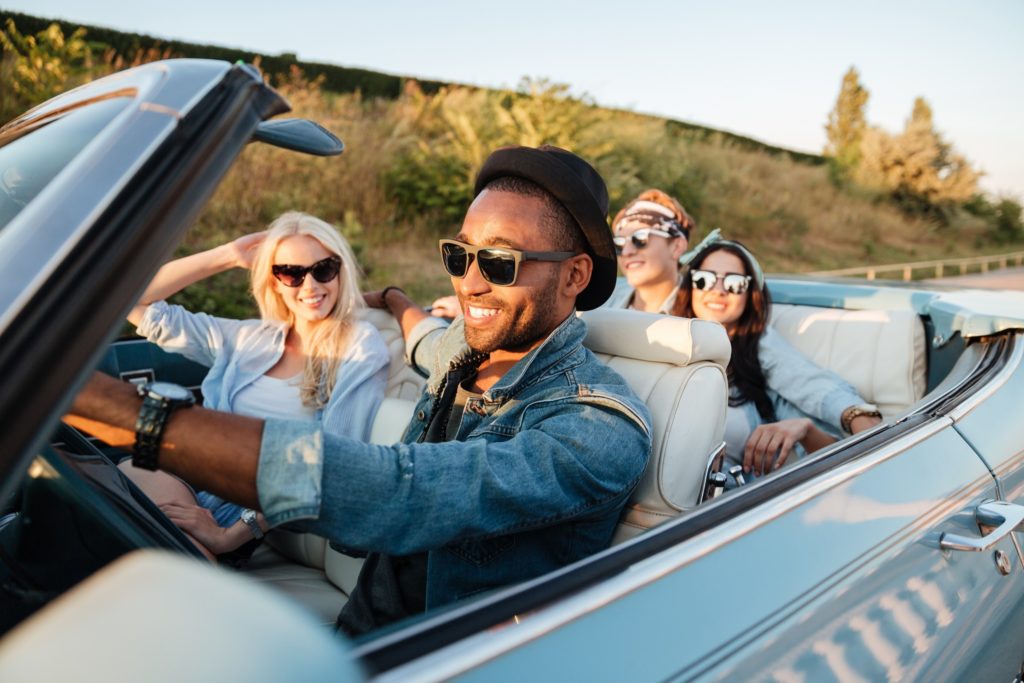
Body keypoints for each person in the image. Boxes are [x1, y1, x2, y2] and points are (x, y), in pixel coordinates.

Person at [68, 145, 652, 636]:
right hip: (366, 625)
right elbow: (425, 341)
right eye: (460, 254)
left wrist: (131, 418)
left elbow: (406, 494)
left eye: (498, 261)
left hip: (448, 652)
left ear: (575, 275)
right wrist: (396, 301)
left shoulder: (598, 425)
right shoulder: (463, 348)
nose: (470, 281)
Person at [122, 211, 390, 559]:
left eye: (323, 269)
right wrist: (226, 256)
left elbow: (334, 461)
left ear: (341, 271)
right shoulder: (251, 338)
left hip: (230, 512)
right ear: (274, 281)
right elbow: (131, 299)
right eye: (291, 273)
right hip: (181, 471)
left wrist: (234, 534)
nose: (310, 286)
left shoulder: (358, 346)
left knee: (142, 558)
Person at [675, 235, 881, 476]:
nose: (718, 290)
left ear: (749, 294)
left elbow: (806, 381)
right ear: (690, 286)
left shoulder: (761, 367)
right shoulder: (661, 340)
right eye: (704, 279)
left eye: (734, 283)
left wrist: (854, 414)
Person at [604, 188, 696, 313]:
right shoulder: (602, 301)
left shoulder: (701, 312)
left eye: (640, 239)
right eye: (619, 243)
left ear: (677, 247)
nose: (626, 252)